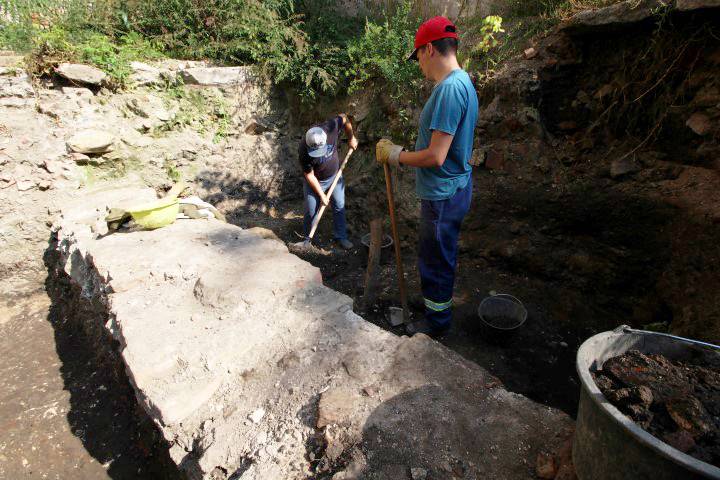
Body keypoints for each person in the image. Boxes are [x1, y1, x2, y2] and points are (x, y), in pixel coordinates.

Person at [375, 16, 478, 335]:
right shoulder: (463, 82)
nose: (419, 64)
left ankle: (436, 324)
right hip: (454, 187)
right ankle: (436, 306)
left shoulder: (449, 90)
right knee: (439, 256)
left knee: (435, 261)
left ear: (429, 49)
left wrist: (396, 155)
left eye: (418, 55)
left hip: (443, 195)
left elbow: (436, 155)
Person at [299, 114, 359, 249]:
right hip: (315, 181)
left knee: (339, 205)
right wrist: (322, 195)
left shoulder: (330, 128)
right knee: (311, 211)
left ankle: (341, 237)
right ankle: (308, 241)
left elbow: (344, 117)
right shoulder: (303, 150)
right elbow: (309, 175)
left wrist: (351, 137)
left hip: (335, 176)